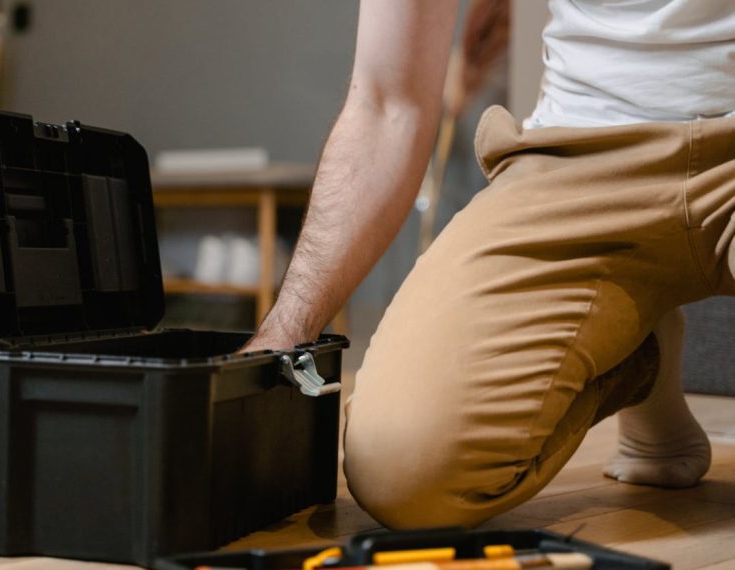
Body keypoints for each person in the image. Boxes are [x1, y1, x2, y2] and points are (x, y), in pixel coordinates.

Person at [243, 0, 735, 528]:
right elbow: (387, 103)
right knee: (402, 469)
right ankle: (637, 355)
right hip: (579, 155)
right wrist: (279, 339)